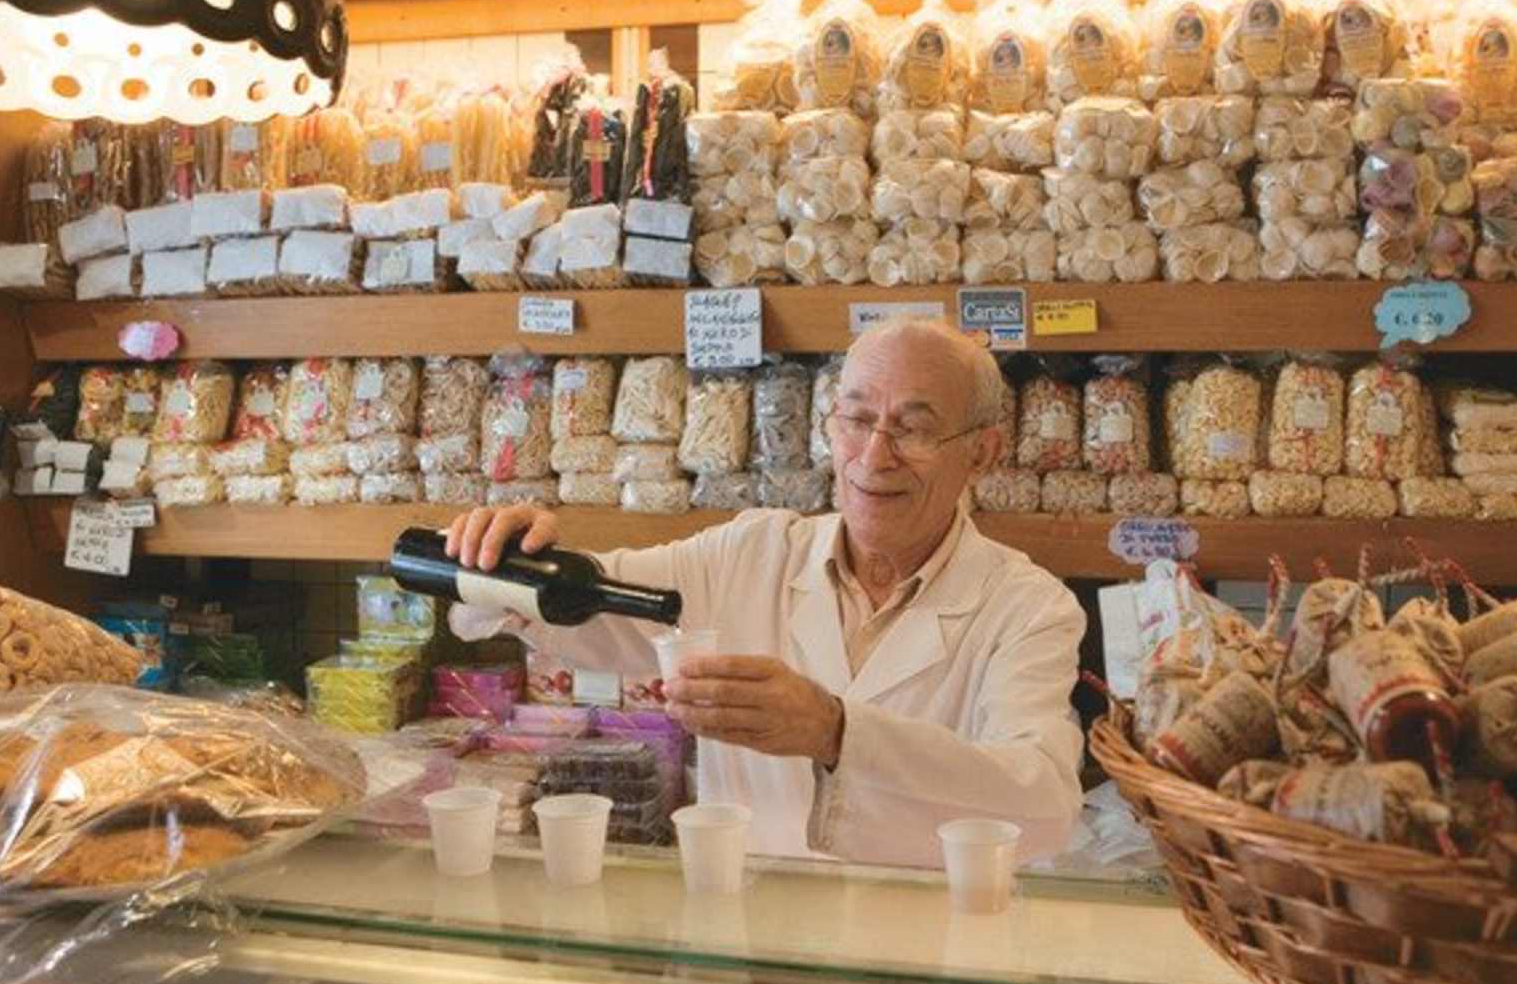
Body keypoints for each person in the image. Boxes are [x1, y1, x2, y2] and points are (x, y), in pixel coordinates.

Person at [446, 318, 1085, 866]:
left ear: (982, 453)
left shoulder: (1027, 607)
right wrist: (500, 559)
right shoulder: (753, 554)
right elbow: (592, 607)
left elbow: (1044, 803)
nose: (873, 456)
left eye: (913, 429)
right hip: (754, 934)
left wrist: (837, 732)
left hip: (926, 952)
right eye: (856, 419)